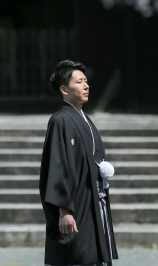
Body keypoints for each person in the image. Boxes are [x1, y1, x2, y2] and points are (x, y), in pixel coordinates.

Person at [40, 60, 118, 266]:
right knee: (76, 256)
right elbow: (58, 166)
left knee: (93, 256)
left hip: (93, 199)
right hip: (75, 206)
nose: (86, 85)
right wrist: (64, 211)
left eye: (86, 81)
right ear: (64, 89)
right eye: (79, 82)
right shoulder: (60, 120)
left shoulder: (85, 119)